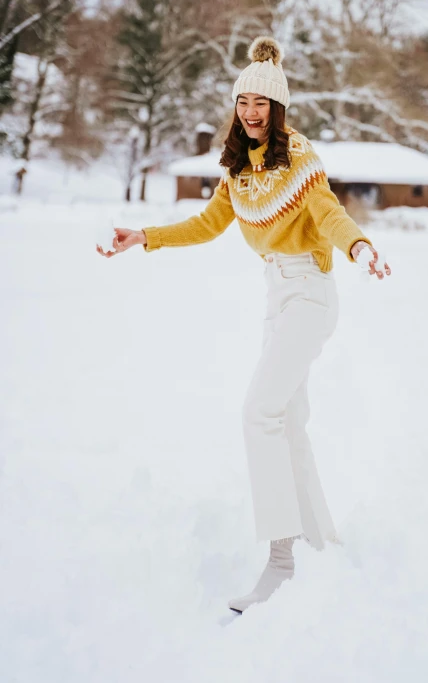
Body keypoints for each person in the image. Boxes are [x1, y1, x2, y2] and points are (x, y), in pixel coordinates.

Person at [97, 36, 391, 614]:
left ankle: (282, 563)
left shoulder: (300, 160)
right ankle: (319, 546)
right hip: (277, 297)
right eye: (243, 102)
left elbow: (328, 213)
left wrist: (359, 247)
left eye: (262, 103)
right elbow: (209, 224)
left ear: (278, 109)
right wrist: (146, 237)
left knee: (260, 412)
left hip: (311, 292)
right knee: (289, 423)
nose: (252, 112)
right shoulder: (238, 170)